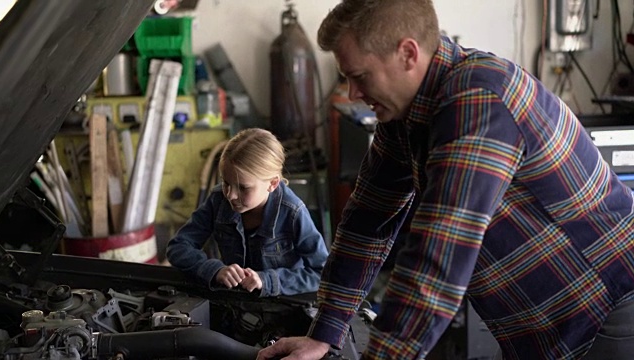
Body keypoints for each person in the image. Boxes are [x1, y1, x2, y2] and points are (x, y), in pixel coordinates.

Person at [257, 0, 634, 359]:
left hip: (605, 315)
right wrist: (324, 333)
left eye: (360, 77)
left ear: (408, 53)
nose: (354, 94)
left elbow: (437, 261)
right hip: (540, 328)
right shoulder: (405, 113)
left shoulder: (479, 100)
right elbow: (366, 222)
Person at [166, 128, 329, 297]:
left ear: (272, 184)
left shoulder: (293, 212)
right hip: (233, 303)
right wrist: (214, 270)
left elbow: (323, 274)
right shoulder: (218, 200)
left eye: (243, 188)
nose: (230, 195)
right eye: (226, 183)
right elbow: (178, 247)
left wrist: (268, 281)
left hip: (282, 307)